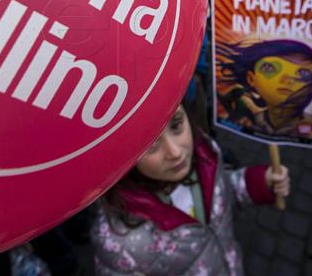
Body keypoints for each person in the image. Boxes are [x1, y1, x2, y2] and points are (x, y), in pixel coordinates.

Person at [91, 102, 290, 275]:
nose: (175, 152)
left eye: (176, 125)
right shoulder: (118, 242)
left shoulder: (206, 155)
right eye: (150, 144)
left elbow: (223, 191)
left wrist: (260, 183)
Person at [216, 39, 312, 142]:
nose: (286, 80)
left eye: (303, 74)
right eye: (269, 68)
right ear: (251, 79)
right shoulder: (248, 121)